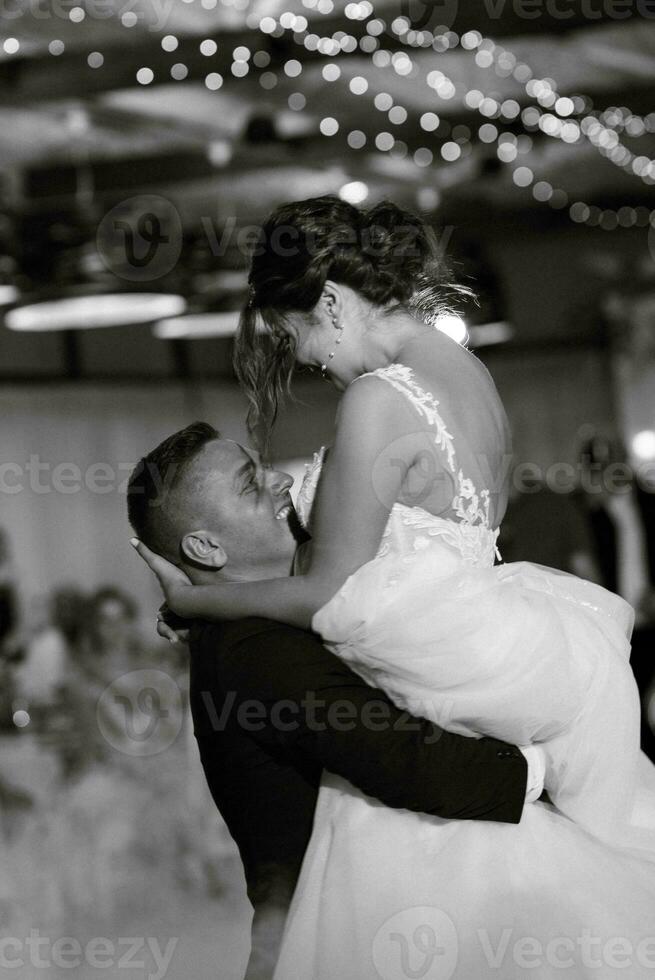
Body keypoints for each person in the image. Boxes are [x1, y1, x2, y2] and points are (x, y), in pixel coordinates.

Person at [133, 196, 655, 978]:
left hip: (440, 672)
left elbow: (329, 593)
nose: (305, 359)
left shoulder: (377, 400)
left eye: (294, 334)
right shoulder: (462, 374)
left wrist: (197, 600)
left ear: (332, 304)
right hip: (494, 646)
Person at [127, 423, 543, 979]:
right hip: (337, 944)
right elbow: (406, 760)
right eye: (251, 484)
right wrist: (546, 768)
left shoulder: (260, 621)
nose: (280, 481)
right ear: (205, 547)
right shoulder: (252, 650)